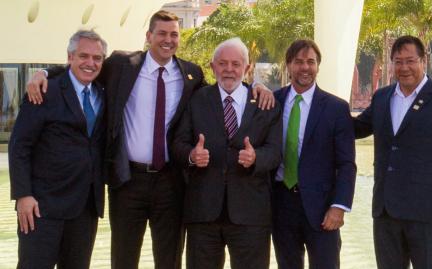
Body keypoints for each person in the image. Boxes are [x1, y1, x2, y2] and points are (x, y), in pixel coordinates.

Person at [26, 10, 274, 269]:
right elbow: (85, 67)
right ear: (149, 36)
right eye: (162, 34)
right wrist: (43, 72)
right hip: (128, 181)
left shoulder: (191, 74)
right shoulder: (122, 65)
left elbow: (227, 85)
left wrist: (257, 84)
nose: (168, 40)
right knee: (124, 258)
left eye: (174, 34)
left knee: (169, 259)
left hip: (171, 182)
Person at [354, 35, 432, 269]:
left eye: (410, 61)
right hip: (385, 211)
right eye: (398, 61)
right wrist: (322, 107)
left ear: (423, 60)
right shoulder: (382, 97)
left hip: (426, 213)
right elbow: (353, 129)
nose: (404, 68)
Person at [172, 37, 282, 269]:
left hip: (250, 214)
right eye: (222, 64)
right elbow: (178, 143)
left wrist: (256, 158)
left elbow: (275, 152)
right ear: (213, 67)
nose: (229, 70)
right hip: (203, 213)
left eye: (236, 64)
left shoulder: (265, 103)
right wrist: (192, 155)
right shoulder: (196, 100)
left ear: (247, 67)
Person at [9, 29, 107, 269]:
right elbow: (20, 145)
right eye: (83, 56)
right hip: (42, 207)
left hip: (85, 208)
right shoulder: (45, 91)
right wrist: (23, 195)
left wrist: (44, 70)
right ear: (70, 57)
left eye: (97, 58)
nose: (90, 63)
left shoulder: (103, 91)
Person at [272, 39, 356, 269]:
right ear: (288, 65)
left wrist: (339, 206)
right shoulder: (272, 102)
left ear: (318, 66)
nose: (305, 67)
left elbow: (347, 163)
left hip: (323, 208)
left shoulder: (336, 108)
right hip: (281, 204)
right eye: (298, 61)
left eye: (311, 62)